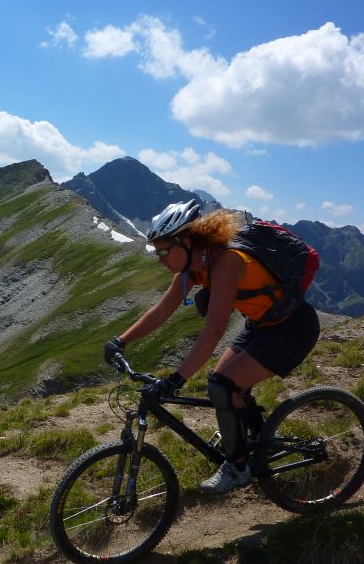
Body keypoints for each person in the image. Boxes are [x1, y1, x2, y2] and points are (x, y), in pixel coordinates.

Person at [104, 199, 320, 495]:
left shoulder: (226, 262)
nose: (160, 259)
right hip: (262, 326)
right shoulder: (193, 268)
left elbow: (214, 330)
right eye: (157, 252)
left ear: (187, 241)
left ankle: (239, 467)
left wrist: (176, 379)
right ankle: (259, 445)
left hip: (293, 330)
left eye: (164, 251)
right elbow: (162, 310)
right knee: (223, 385)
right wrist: (121, 341)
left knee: (223, 385)